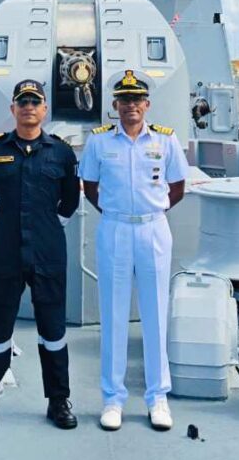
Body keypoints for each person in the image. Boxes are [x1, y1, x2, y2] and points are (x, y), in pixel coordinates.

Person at [78, 70, 189, 433]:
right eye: (124, 100)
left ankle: (158, 397)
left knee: (156, 312)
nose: (131, 106)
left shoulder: (166, 142)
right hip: (114, 228)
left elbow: (177, 187)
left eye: (136, 100)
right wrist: (120, 212)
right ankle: (113, 399)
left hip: (154, 228)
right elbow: (90, 187)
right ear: (115, 106)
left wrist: (149, 211)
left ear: (147, 104)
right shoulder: (98, 143)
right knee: (113, 313)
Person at [0, 79, 81, 432]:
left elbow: (70, 201)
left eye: (35, 102)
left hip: (48, 253)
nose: (29, 107)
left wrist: (51, 225)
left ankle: (58, 401)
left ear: (44, 109)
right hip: (5, 253)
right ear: (13, 109)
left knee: (53, 330)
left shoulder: (61, 153)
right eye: (23, 102)